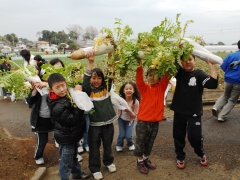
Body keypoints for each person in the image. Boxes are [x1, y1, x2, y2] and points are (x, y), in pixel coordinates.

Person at [170, 54, 218, 169]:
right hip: (179, 111)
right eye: (185, 60)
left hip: (194, 112)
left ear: (194, 61)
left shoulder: (199, 74)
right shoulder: (179, 72)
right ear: (181, 62)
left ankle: (201, 153)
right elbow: (170, 58)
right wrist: (180, 47)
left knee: (195, 137)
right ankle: (180, 157)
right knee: (178, 135)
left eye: (190, 59)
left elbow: (213, 84)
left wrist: (212, 67)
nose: (188, 62)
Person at [47, 73, 90, 180]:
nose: (62, 89)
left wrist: (79, 88)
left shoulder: (66, 95)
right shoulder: (57, 106)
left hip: (72, 136)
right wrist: (80, 106)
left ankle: (77, 174)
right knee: (65, 163)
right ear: (51, 90)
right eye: (58, 87)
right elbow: (71, 119)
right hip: (66, 139)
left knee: (73, 157)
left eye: (63, 85)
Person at [83, 51, 117, 180]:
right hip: (94, 125)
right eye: (93, 78)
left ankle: (108, 162)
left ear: (102, 79)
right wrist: (90, 63)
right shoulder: (88, 91)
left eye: (99, 78)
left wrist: (110, 57)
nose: (96, 81)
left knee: (108, 145)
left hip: (108, 123)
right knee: (94, 148)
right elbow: (85, 81)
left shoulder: (106, 88)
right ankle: (95, 168)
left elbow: (110, 73)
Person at [134, 60, 169, 174]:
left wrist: (168, 61)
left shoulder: (161, 88)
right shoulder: (145, 89)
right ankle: (139, 161)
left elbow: (167, 76)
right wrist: (140, 67)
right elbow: (139, 81)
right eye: (150, 75)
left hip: (155, 122)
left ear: (159, 77)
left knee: (150, 142)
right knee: (141, 142)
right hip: (143, 122)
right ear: (147, 77)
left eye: (155, 75)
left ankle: (145, 159)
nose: (152, 78)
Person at [25, 65, 54, 165]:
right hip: (40, 119)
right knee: (43, 140)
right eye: (31, 70)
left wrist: (46, 84)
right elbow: (29, 101)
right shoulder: (34, 85)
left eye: (35, 68)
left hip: (54, 118)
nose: (33, 71)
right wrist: (35, 89)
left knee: (61, 137)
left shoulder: (50, 84)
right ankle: (38, 156)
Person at [212, 40, 240, 122]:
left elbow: (223, 67)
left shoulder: (231, 55)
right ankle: (221, 116)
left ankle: (216, 107)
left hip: (228, 80)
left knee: (225, 96)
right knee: (232, 100)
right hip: (238, 82)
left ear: (238, 46)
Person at [116, 82, 140, 152]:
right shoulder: (120, 99)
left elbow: (135, 115)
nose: (128, 90)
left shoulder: (135, 102)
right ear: (123, 91)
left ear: (134, 90)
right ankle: (119, 145)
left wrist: (128, 110)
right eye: (126, 89)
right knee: (122, 135)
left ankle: (130, 144)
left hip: (130, 121)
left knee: (128, 136)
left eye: (130, 89)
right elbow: (115, 104)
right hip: (121, 119)